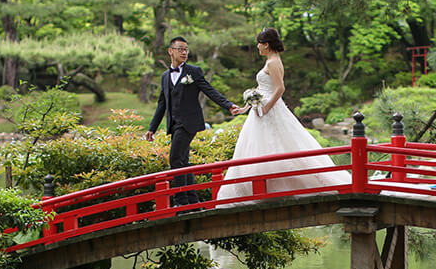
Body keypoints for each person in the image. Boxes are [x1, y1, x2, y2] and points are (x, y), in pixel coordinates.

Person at [216, 28, 350, 203]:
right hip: (259, 111)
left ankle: (280, 186)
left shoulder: (274, 62)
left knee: (281, 144)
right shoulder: (269, 61)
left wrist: (267, 108)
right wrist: (245, 107)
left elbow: (280, 88)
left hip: (270, 110)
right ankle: (260, 188)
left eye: (259, 43)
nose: (257, 47)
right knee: (258, 147)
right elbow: (261, 89)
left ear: (267, 44)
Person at [145, 37, 242, 207]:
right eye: (180, 49)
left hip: (189, 122)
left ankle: (180, 201)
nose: (184, 52)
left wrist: (228, 105)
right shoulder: (165, 76)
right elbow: (162, 104)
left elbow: (209, 90)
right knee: (183, 161)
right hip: (174, 124)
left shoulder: (193, 72)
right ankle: (192, 201)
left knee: (175, 159)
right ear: (170, 51)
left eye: (186, 50)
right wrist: (152, 128)